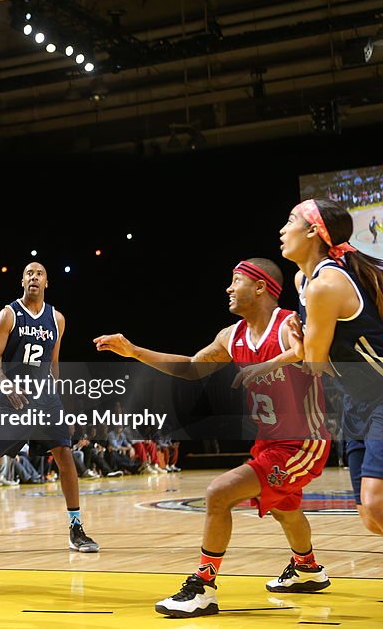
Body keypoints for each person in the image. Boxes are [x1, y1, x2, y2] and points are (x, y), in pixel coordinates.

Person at [95, 257, 331, 618]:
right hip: (269, 441)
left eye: (235, 280)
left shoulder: (288, 326)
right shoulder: (231, 335)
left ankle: (203, 586)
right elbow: (191, 367)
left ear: (260, 286)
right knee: (286, 509)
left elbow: (317, 355)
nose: (228, 288)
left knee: (219, 493)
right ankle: (307, 568)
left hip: (303, 442)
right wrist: (134, 350)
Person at [0, 262, 99, 555]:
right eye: (29, 273)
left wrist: (58, 402)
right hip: (10, 399)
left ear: (46, 282)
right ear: (22, 281)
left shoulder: (57, 319)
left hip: (45, 400)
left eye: (39, 273)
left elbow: (54, 364)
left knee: (65, 456)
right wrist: (5, 384)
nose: (33, 277)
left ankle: (76, 527)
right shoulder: (9, 314)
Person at [281, 199, 383, 536]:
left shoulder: (327, 284)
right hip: (357, 403)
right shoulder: (303, 281)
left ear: (313, 231)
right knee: (369, 517)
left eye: (291, 220)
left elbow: (314, 363)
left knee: (375, 503)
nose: (282, 229)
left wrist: (298, 342)